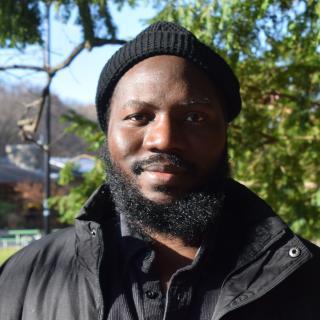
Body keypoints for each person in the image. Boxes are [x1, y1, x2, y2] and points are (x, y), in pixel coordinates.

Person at [0, 21, 319, 320]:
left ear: (225, 135)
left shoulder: (305, 279)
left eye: (195, 117)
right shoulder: (23, 279)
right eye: (138, 116)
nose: (164, 139)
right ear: (107, 134)